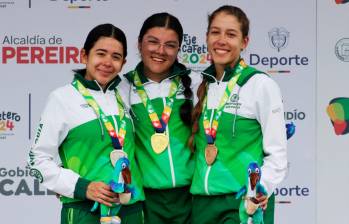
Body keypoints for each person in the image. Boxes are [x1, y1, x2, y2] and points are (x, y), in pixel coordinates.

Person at [28, 24, 144, 224]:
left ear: (123, 63)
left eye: (116, 57)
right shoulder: (62, 98)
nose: (107, 62)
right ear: (84, 55)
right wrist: (83, 187)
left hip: (131, 210)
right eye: (101, 54)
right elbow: (37, 160)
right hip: (85, 211)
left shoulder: (129, 93)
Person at [189, 5, 287, 224]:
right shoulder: (199, 85)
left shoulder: (260, 85)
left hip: (242, 202)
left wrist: (260, 188)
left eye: (231, 34)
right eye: (215, 32)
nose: (221, 40)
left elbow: (277, 154)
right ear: (206, 37)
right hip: (202, 204)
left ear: (244, 43)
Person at [124, 12, 201, 224]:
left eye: (170, 45)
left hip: (192, 198)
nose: (160, 51)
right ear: (139, 44)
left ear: (178, 49)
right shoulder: (123, 88)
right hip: (147, 201)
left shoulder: (196, 83)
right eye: (153, 42)